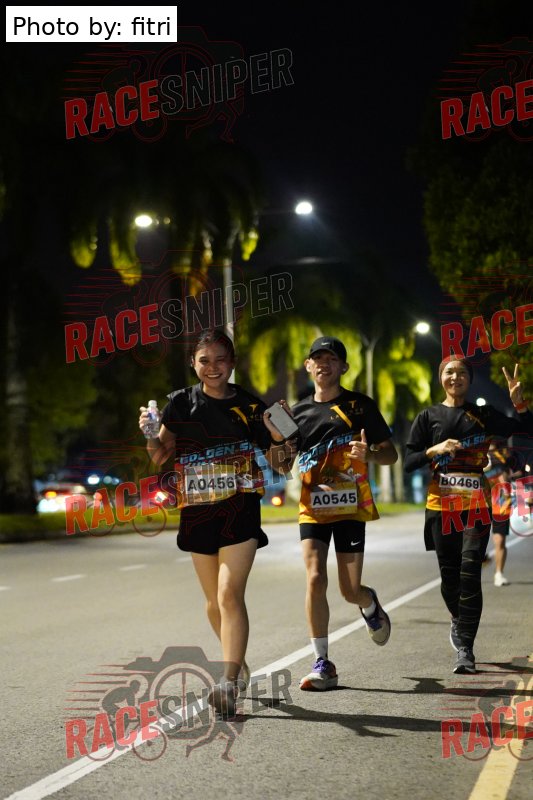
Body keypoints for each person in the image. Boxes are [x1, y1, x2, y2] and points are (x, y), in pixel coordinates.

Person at [138, 329, 289, 715]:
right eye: (204, 360)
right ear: (194, 364)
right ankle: (237, 664)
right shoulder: (180, 403)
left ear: (232, 362)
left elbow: (283, 465)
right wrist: (150, 434)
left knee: (228, 595)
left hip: (240, 508)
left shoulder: (251, 407)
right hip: (198, 511)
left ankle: (228, 680)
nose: (213, 367)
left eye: (221, 359)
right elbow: (159, 456)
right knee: (211, 604)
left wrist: (277, 438)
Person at [279, 336, 398, 690]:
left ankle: (369, 604)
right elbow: (281, 465)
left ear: (343, 367)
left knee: (349, 590)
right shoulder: (297, 413)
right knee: (315, 578)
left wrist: (369, 455)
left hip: (350, 507)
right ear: (308, 365)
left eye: (331, 358)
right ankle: (323, 662)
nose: (324, 364)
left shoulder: (360, 406)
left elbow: (390, 453)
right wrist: (277, 435)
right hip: (312, 507)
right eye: (318, 358)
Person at [404, 358, 532, 674]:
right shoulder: (428, 416)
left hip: (476, 505)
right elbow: (409, 461)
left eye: (462, 372)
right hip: (441, 507)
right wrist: (434, 450)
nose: (456, 377)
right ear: (441, 378)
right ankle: (458, 619)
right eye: (449, 372)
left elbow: (526, 429)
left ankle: (466, 649)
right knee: (450, 579)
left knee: (470, 571)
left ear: (469, 380)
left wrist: (520, 404)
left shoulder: (483, 415)